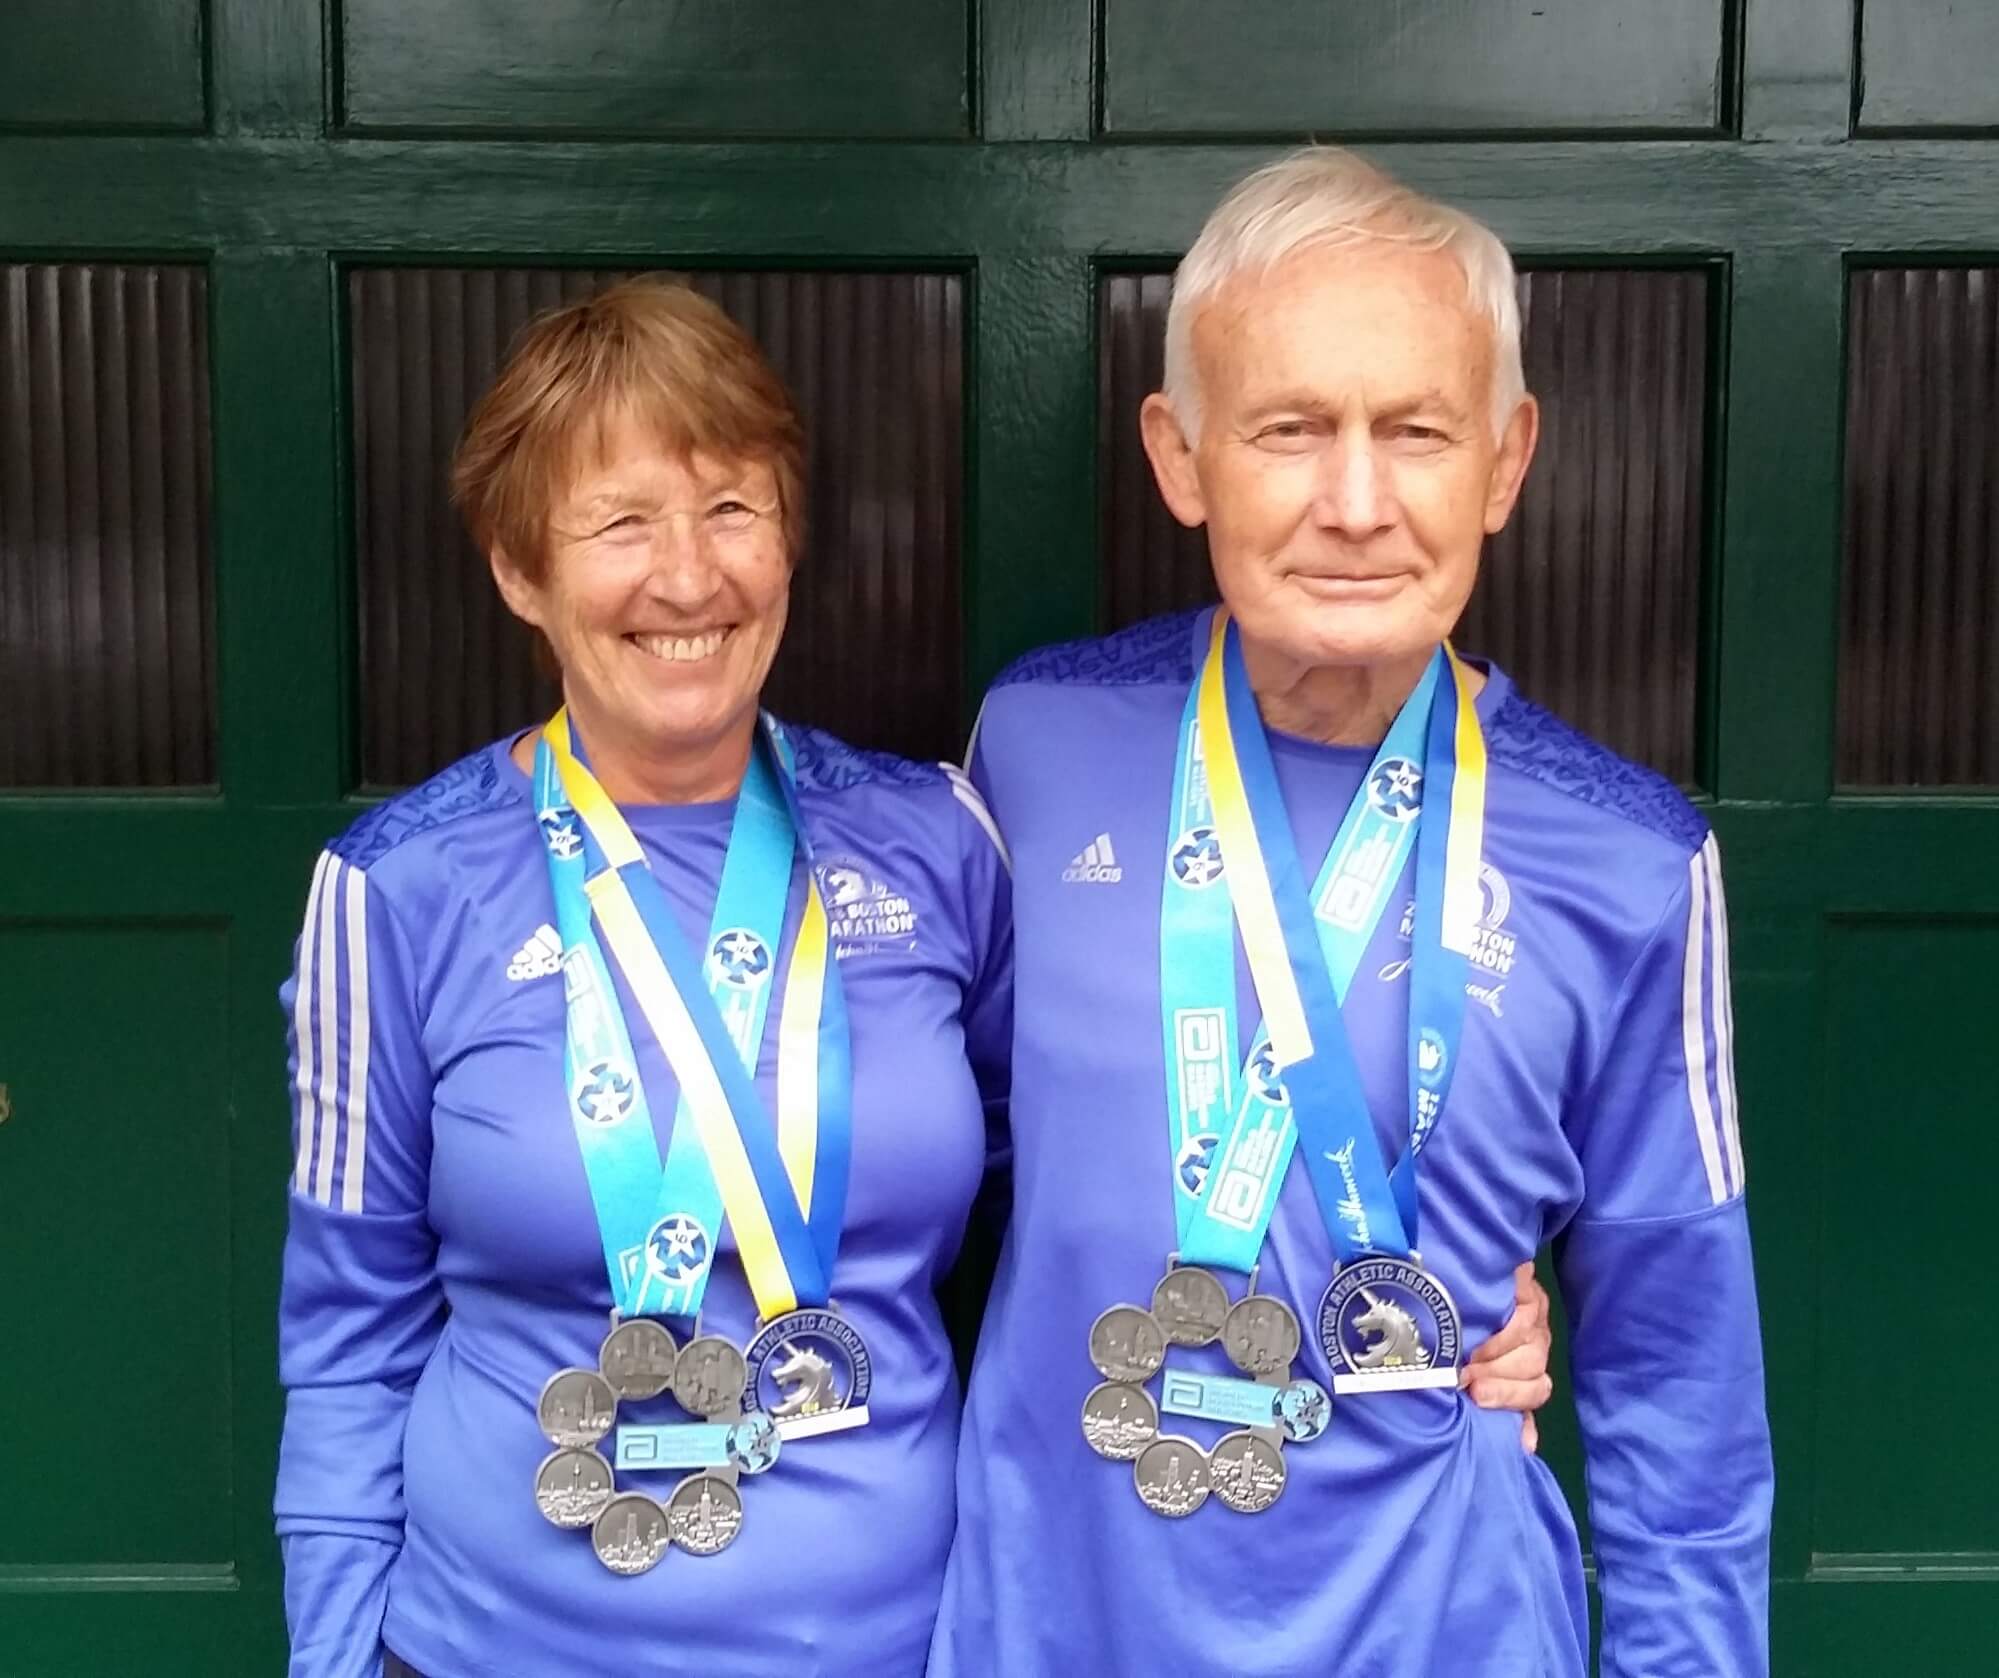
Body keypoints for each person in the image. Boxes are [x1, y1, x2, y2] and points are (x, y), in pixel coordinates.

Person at [275, 275, 1554, 1678]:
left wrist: (1446, 1302)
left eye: (730, 509)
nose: (688, 575)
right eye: (620, 522)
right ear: (522, 571)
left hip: (896, 1644)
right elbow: (347, 1342)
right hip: (494, 1650)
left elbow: (1097, 1164)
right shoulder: (395, 890)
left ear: (789, 542)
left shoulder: (934, 837)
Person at [932, 149, 1772, 1677]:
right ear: (1182, 457)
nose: (1358, 501)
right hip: (1061, 1626)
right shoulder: (1037, 749)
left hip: (1447, 1632)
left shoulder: (1634, 859)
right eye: (1291, 429)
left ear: (1506, 462)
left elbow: (1684, 1405)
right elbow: (882, 1155)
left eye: (1418, 431)